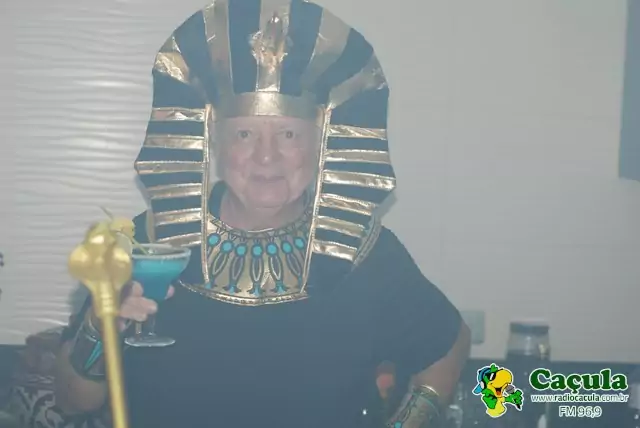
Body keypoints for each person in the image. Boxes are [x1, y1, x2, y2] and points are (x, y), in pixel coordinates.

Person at [53, 0, 471, 427]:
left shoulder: (366, 252)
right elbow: (73, 401)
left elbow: (448, 347)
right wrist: (100, 327)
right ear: (214, 143)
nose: (266, 157)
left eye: (288, 134)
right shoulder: (147, 246)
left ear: (320, 145)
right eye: (244, 134)